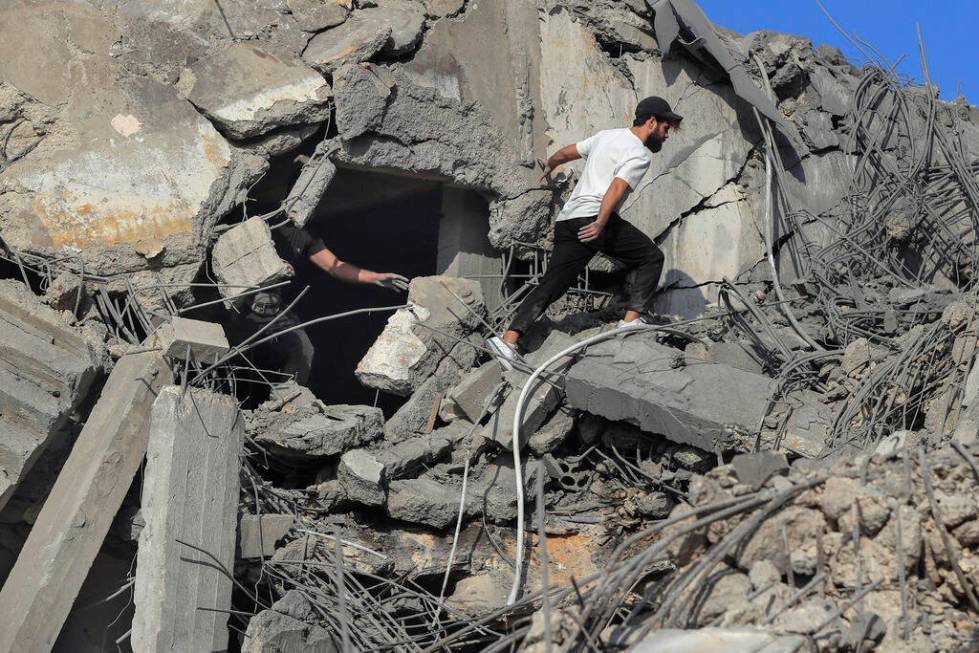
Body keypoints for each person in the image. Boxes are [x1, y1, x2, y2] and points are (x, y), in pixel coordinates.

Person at [488, 96, 682, 364]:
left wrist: (550, 164)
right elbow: (616, 187)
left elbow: (567, 153)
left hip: (568, 219)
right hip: (594, 217)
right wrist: (601, 222)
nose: (667, 134)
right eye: (665, 127)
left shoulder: (606, 136)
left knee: (552, 283)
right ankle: (630, 323)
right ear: (651, 122)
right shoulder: (639, 153)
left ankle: (507, 341)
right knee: (651, 257)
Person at [227, 222, 407, 387]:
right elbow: (236, 253)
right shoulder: (266, 221)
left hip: (273, 309)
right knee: (230, 348)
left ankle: (286, 403)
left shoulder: (305, 235)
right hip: (242, 304)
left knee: (304, 350)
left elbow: (335, 267)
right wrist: (273, 266)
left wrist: (375, 278)